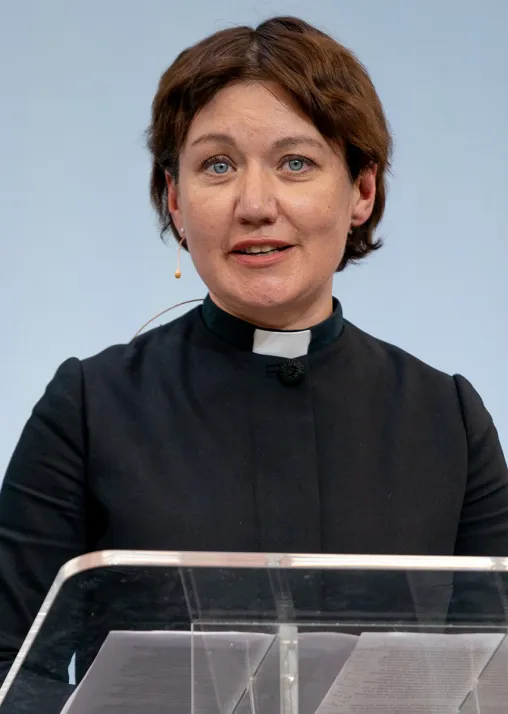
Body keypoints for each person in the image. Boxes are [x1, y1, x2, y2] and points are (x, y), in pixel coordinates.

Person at [1, 14, 507, 690]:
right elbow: (12, 667)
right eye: (217, 165)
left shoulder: (447, 418)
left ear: (362, 190)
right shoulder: (89, 409)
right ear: (176, 201)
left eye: (295, 162)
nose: (255, 203)